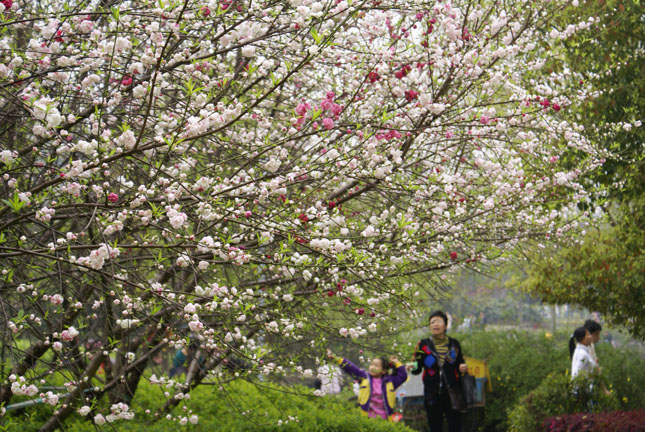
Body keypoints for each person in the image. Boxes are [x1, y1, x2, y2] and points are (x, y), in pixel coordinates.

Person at [411, 311, 468, 432]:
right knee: (435, 427)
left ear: (446, 325)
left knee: (455, 426)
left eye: (439, 321)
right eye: (432, 322)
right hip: (432, 394)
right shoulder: (423, 345)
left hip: (452, 393)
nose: (435, 324)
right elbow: (416, 370)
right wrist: (412, 366)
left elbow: (460, 364)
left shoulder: (454, 344)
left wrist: (463, 367)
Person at [327, 350, 407, 421]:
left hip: (385, 419)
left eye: (376, 366)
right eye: (371, 365)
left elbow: (403, 376)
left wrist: (396, 362)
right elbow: (351, 368)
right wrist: (336, 358)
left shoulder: (390, 381)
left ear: (383, 371)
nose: (372, 367)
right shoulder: (364, 377)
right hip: (367, 418)